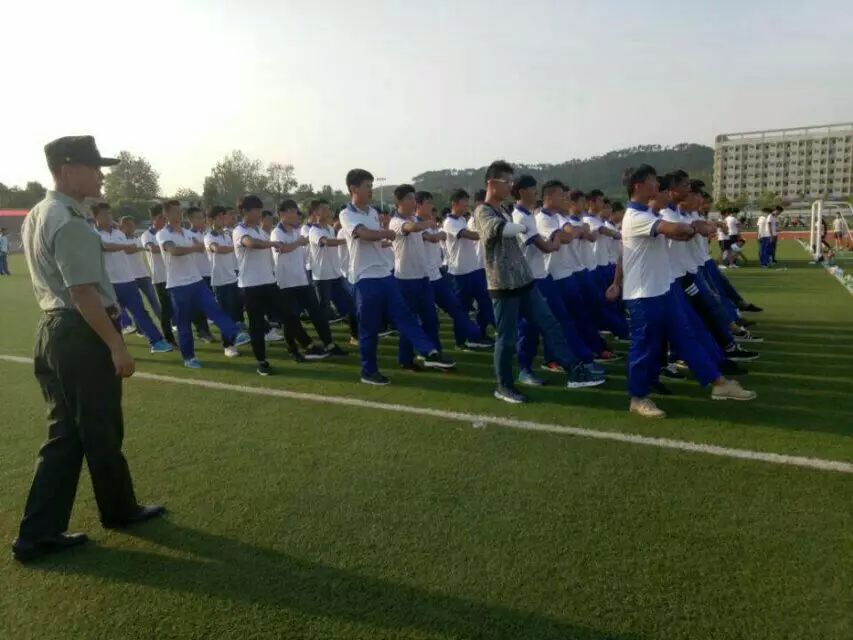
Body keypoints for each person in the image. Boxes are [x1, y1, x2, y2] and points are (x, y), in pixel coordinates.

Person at [13, 135, 165, 563]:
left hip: (54, 331)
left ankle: (39, 533)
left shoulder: (40, 213)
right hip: (81, 332)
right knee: (100, 428)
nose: (101, 176)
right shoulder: (69, 221)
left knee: (66, 433)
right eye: (94, 167)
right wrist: (117, 346)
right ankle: (118, 510)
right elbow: (82, 292)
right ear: (67, 169)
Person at [609, 165, 756, 419]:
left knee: (687, 336)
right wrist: (694, 227)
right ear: (638, 186)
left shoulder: (649, 215)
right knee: (644, 348)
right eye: (653, 182)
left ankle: (719, 383)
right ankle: (638, 398)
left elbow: (681, 234)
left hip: (662, 291)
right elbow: (679, 231)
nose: (658, 186)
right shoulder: (635, 217)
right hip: (644, 296)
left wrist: (692, 227)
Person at [473, 160, 605, 404]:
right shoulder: (484, 211)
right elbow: (497, 230)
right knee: (507, 338)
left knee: (550, 324)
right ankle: (504, 385)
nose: (510, 186)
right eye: (506, 182)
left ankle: (573, 369)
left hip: (525, 281)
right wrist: (523, 227)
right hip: (503, 284)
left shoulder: (504, 210)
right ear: (491, 183)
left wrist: (523, 226)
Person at [338, 169, 455, 385]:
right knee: (369, 329)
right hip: (365, 278)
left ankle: (429, 352)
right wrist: (386, 233)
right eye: (367, 186)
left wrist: (384, 239)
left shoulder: (372, 212)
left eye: (371, 186)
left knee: (404, 316)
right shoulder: (347, 214)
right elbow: (363, 234)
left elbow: (376, 239)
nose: (371, 190)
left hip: (385, 275)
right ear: (353, 189)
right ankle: (369, 371)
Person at [514, 176, 604, 386]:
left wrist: (559, 238)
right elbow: (553, 244)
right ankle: (528, 369)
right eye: (560, 195)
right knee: (532, 327)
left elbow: (565, 237)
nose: (564, 199)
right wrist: (557, 239)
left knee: (558, 322)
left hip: (543, 277)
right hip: (531, 279)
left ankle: (575, 363)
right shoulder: (527, 218)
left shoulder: (538, 216)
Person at [233, 195, 323, 374]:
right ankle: (261, 362)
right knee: (257, 326)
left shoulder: (260, 231)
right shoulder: (239, 230)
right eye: (256, 210)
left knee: (289, 315)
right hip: (250, 286)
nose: (259, 213)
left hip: (269, 283)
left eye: (260, 210)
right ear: (245, 212)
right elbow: (250, 243)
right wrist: (272, 243)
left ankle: (304, 346)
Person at [157, 200, 249, 368]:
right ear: (166, 214)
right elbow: (173, 250)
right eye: (175, 211)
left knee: (214, 308)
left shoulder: (187, 233)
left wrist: (198, 246)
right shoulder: (163, 234)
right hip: (177, 285)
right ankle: (189, 357)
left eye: (180, 210)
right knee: (184, 324)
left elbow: (203, 246)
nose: (179, 213)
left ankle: (234, 334)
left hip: (196, 281)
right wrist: (193, 248)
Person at [92, 203, 172, 353]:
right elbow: (105, 246)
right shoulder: (93, 234)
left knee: (141, 312)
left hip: (128, 280)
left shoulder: (119, 233)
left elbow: (127, 250)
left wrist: (124, 246)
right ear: (95, 217)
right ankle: (116, 349)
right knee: (113, 317)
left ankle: (156, 342)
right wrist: (123, 246)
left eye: (109, 214)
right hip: (109, 283)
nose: (108, 217)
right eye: (104, 214)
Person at [388, 184, 450, 371]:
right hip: (406, 279)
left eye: (414, 198)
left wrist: (435, 233)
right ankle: (406, 359)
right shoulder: (396, 222)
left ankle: (434, 354)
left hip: (423, 277)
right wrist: (427, 223)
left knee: (431, 319)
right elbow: (412, 228)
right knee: (410, 321)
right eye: (409, 198)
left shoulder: (415, 219)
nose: (413, 202)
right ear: (399, 202)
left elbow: (427, 236)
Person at [270, 199, 343, 358]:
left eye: (296, 211)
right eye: (291, 211)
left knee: (316, 313)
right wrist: (298, 242)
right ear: (282, 214)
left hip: (302, 279)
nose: (295, 215)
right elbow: (283, 248)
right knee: (291, 318)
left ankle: (329, 344)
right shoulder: (277, 232)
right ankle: (295, 349)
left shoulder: (296, 231)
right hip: (286, 282)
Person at [416, 190, 487, 352]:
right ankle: (429, 351)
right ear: (418, 205)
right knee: (427, 318)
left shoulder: (435, 223)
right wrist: (438, 233)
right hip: (424, 277)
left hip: (437, 274)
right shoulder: (417, 225)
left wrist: (438, 233)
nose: (431, 206)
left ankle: (474, 336)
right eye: (428, 203)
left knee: (456, 308)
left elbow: (438, 237)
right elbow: (433, 238)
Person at [443, 189, 495, 343]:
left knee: (485, 303)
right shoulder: (449, 222)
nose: (467, 206)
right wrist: (488, 233)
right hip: (460, 273)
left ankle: (480, 334)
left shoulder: (461, 220)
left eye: (467, 202)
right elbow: (469, 235)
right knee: (462, 308)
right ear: (454, 204)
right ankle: (461, 341)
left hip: (474, 270)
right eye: (464, 203)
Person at [308, 198, 359, 345]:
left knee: (350, 304)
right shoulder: (314, 230)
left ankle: (355, 336)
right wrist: (348, 240)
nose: (328, 212)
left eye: (328, 209)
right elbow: (327, 242)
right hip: (322, 277)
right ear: (316, 212)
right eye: (324, 209)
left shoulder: (330, 229)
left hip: (336, 274)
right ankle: (327, 342)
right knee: (323, 311)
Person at [140, 204, 176, 345]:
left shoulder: (168, 232)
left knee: (178, 307)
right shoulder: (146, 235)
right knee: (166, 309)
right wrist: (167, 246)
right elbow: (152, 248)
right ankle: (169, 337)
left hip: (174, 275)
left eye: (164, 217)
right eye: (161, 218)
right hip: (160, 277)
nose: (164, 220)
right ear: (153, 219)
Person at [204, 206, 243, 324]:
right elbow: (217, 249)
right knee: (225, 312)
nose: (222, 219)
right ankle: (228, 336)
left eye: (223, 216)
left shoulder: (227, 235)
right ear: (211, 220)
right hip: (220, 281)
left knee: (236, 309)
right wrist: (235, 247)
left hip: (232, 277)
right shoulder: (209, 236)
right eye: (219, 217)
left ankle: (238, 330)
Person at [119, 216, 162, 321]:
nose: (132, 227)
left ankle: (163, 322)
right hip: (129, 278)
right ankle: (141, 327)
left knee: (153, 300)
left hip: (143, 275)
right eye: (129, 225)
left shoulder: (138, 238)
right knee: (137, 305)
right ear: (123, 226)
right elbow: (127, 251)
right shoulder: (120, 240)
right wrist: (141, 248)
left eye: (133, 224)